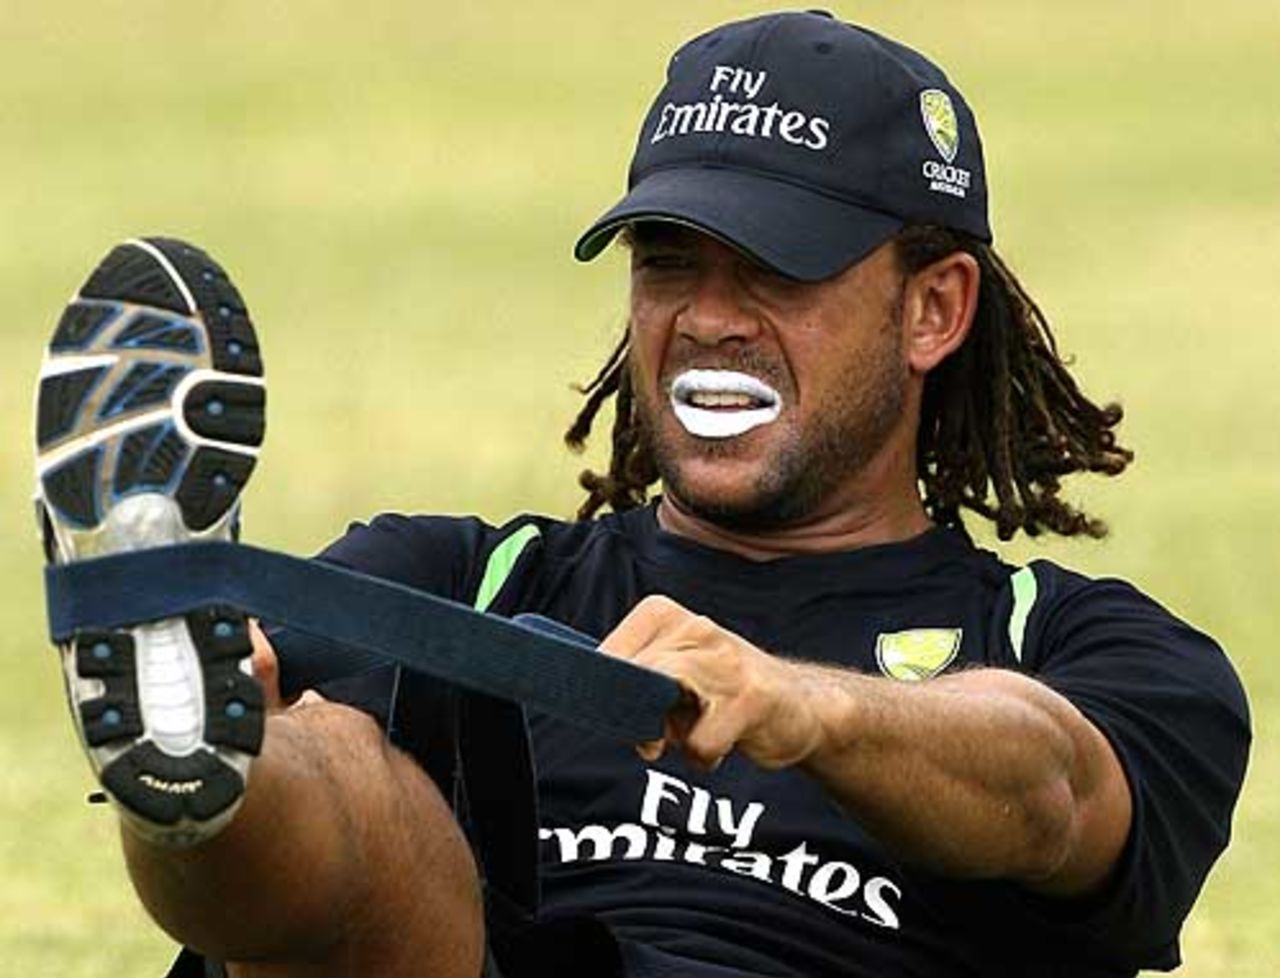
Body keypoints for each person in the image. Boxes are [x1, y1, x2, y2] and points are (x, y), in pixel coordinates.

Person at [34, 11, 1249, 978]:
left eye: (775, 271)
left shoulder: (1075, 645)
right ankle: (183, 725)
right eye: (669, 263)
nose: (707, 319)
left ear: (932, 308)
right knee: (320, 761)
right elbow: (259, 910)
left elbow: (1054, 790)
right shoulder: (472, 576)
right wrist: (211, 744)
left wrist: (804, 708)